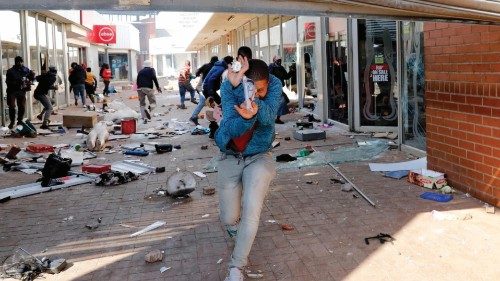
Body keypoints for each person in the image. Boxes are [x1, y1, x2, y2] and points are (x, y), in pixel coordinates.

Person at [215, 59, 282, 281]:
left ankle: (236, 268)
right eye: (254, 88)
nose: (259, 93)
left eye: (261, 89)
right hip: (231, 156)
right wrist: (244, 117)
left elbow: (269, 118)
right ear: (244, 81)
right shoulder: (228, 87)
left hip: (260, 156)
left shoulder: (273, 85)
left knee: (251, 209)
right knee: (228, 218)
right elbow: (229, 129)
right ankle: (237, 233)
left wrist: (254, 105)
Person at [5, 56, 35, 129]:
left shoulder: (25, 69)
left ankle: (19, 120)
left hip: (21, 90)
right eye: (18, 62)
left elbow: (32, 76)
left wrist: (30, 80)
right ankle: (12, 122)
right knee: (12, 106)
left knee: (21, 106)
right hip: (12, 91)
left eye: (21, 62)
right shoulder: (10, 71)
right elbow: (7, 82)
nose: (20, 63)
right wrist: (18, 82)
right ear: (15, 62)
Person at [189, 56, 218, 125]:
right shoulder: (214, 67)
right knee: (212, 103)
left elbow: (197, 72)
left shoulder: (206, 66)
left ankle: (194, 117)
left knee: (206, 103)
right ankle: (193, 117)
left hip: (202, 87)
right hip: (206, 88)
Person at [268, 55, 291, 124]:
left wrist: (291, 71)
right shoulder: (271, 67)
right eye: (278, 60)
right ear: (274, 61)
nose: (279, 62)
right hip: (273, 88)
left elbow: (286, 76)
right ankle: (274, 118)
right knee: (280, 101)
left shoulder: (281, 68)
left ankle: (277, 118)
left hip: (279, 87)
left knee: (282, 102)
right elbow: (268, 76)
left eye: (280, 60)